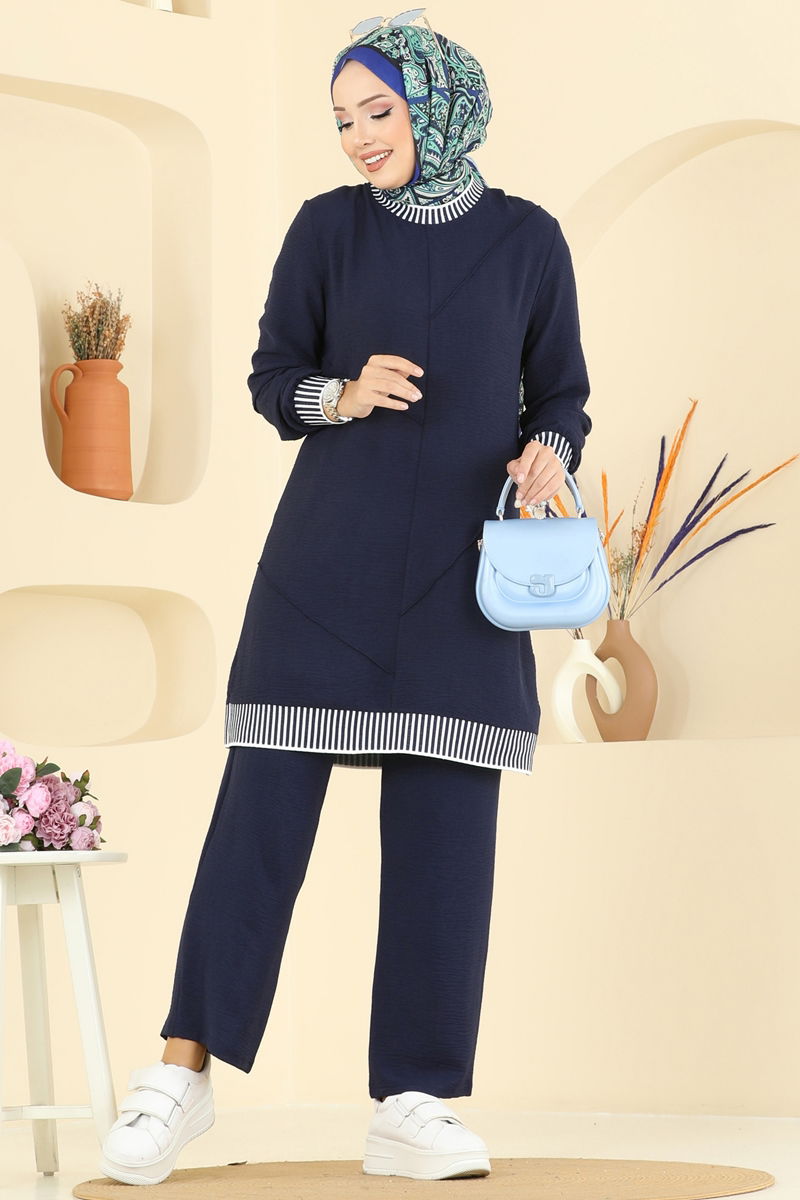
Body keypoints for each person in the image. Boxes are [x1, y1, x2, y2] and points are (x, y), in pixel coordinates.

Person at [99, 11, 592, 1187]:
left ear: (438, 104)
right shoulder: (325, 228)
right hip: (322, 575)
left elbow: (562, 392)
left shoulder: (528, 240)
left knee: (444, 847)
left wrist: (549, 451)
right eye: (340, 120)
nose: (359, 136)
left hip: (462, 587)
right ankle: (180, 1078)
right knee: (256, 830)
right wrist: (344, 391)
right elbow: (273, 379)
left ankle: (412, 1102)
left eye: (378, 110)